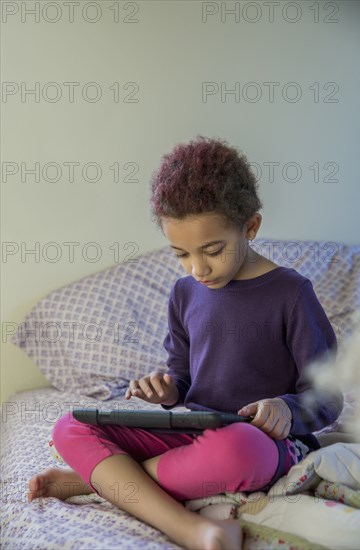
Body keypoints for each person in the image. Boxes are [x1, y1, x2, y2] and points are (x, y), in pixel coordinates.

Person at [27, 136, 343, 550]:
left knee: (240, 450)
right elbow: (182, 378)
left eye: (212, 250)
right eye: (181, 254)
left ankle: (106, 480)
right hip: (192, 434)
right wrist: (167, 388)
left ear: (250, 227)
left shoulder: (291, 293)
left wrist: (286, 407)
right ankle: (183, 523)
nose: (198, 269)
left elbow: (328, 396)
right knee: (72, 425)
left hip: (261, 442)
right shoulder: (184, 293)